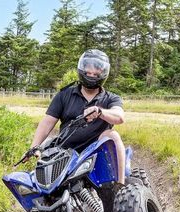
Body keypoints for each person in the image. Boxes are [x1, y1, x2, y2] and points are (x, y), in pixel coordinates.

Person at [28, 49, 126, 184]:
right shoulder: (64, 95)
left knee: (113, 135)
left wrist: (100, 112)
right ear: (82, 70)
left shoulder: (111, 98)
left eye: (95, 72)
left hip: (96, 152)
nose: (91, 75)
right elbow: (47, 122)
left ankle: (119, 186)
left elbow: (119, 116)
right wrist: (34, 147)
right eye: (88, 71)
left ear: (103, 73)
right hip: (65, 151)